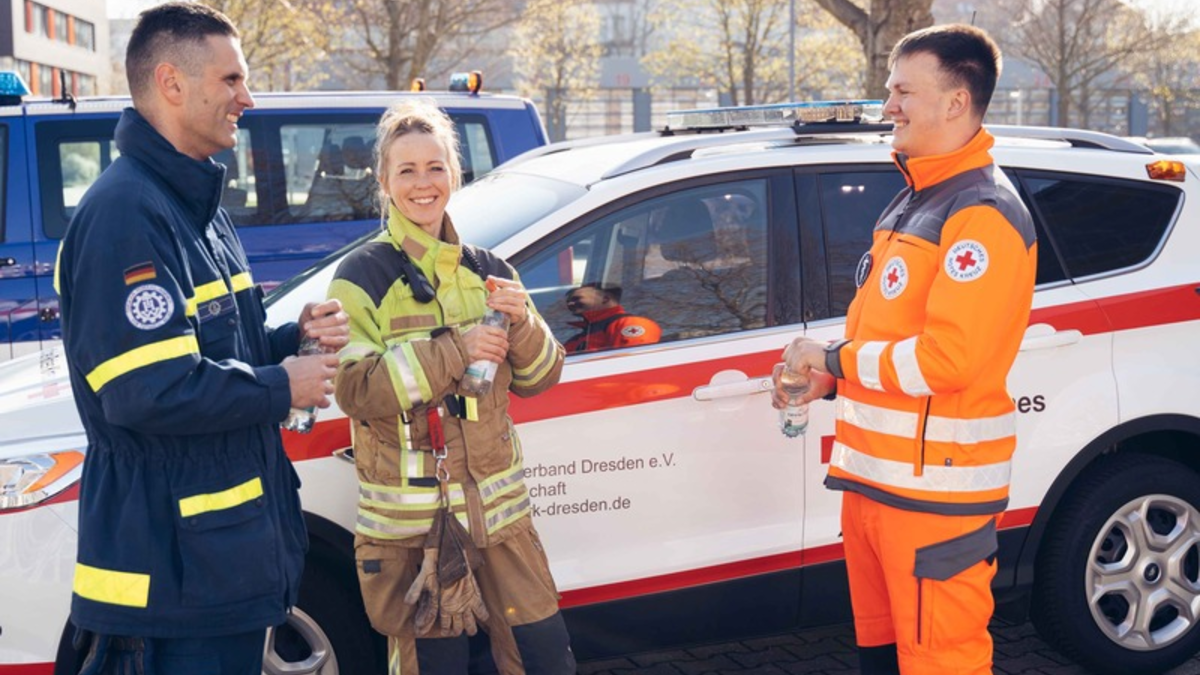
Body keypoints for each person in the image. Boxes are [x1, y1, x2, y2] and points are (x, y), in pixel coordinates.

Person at [57, 3, 348, 673]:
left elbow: (214, 356)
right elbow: (147, 391)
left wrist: (286, 342)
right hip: (171, 583)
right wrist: (283, 385)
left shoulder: (195, 208)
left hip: (215, 568)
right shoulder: (127, 212)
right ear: (172, 83)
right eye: (232, 80)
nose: (248, 97)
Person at [773, 24, 1037, 675]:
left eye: (902, 90)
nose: (888, 104)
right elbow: (887, 343)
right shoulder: (913, 201)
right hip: (876, 489)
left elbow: (947, 360)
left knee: (942, 663)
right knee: (883, 658)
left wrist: (831, 359)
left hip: (934, 502)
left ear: (955, 102)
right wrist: (828, 381)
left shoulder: (982, 213)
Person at [327, 99, 575, 675]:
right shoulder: (361, 278)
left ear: (454, 175)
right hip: (417, 541)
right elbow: (356, 390)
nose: (423, 183)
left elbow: (541, 379)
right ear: (385, 182)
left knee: (545, 660)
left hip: (502, 525)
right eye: (407, 170)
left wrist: (523, 324)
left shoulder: (489, 269)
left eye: (435, 167)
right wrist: (454, 351)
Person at [563, 283, 662, 353]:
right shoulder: (577, 338)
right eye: (568, 301)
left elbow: (635, 361)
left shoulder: (630, 323)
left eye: (577, 299)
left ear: (605, 299)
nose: (570, 303)